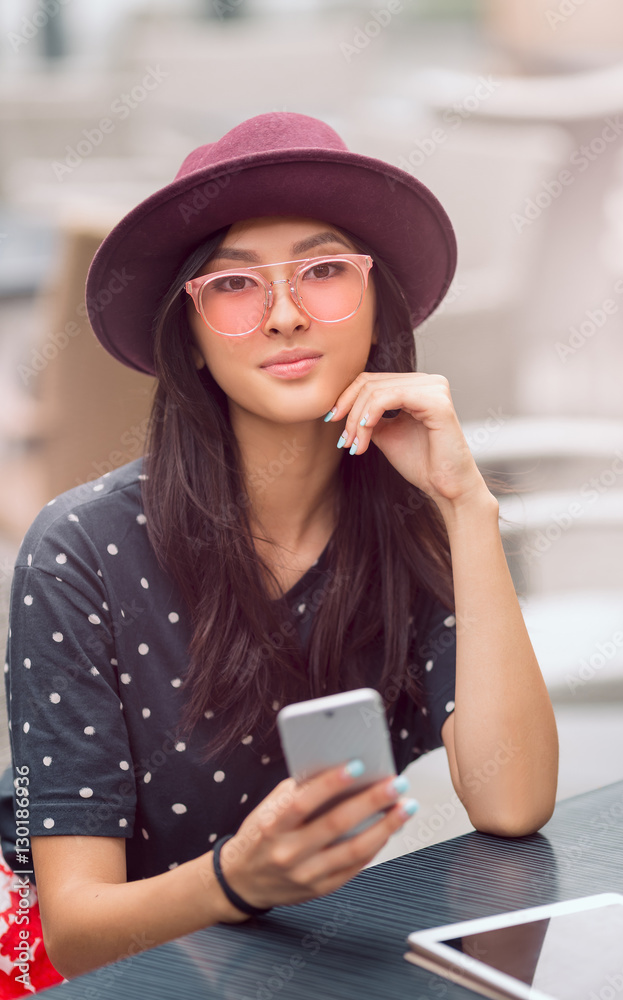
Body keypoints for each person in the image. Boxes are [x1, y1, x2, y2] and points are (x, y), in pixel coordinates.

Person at [2, 112, 559, 988]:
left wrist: (467, 503)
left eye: (325, 272)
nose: (287, 315)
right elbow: (73, 932)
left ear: (378, 304)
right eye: (234, 286)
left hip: (294, 959)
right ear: (186, 331)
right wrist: (237, 880)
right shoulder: (80, 549)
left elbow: (513, 800)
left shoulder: (422, 519)